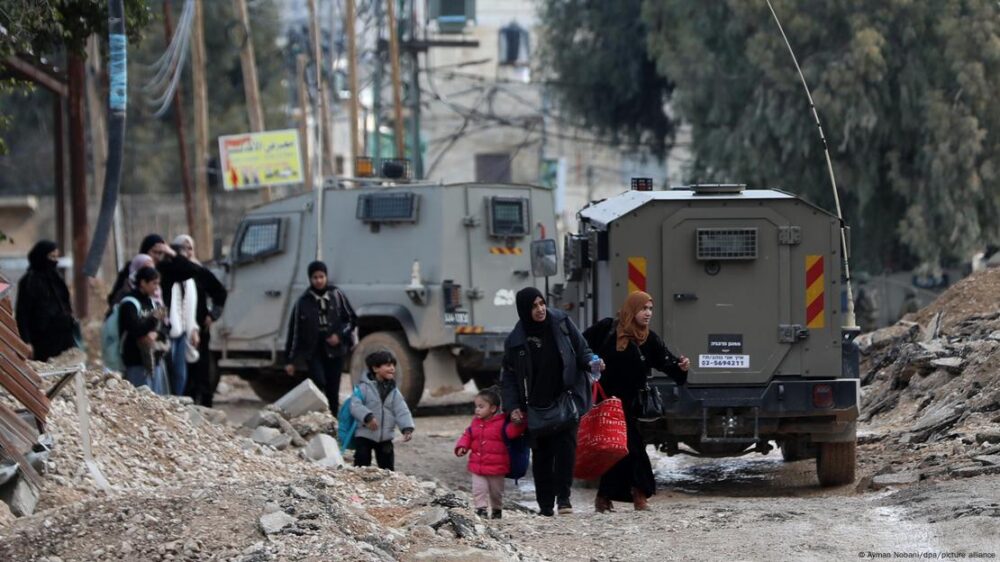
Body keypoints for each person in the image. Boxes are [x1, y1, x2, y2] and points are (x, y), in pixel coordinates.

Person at [583, 291, 689, 512]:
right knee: (626, 448)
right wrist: (591, 361)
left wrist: (682, 368)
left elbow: (668, 364)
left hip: (631, 404)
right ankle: (637, 494)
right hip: (607, 402)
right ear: (632, 309)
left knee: (623, 448)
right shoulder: (607, 329)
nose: (648, 313)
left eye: (650, 309)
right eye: (643, 308)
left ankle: (608, 497)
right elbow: (580, 347)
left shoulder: (649, 339)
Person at [499, 287, 596, 517]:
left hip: (565, 399)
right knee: (542, 457)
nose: (540, 309)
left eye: (542, 303)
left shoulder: (561, 322)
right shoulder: (515, 341)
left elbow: (582, 350)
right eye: (534, 306)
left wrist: (592, 361)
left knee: (566, 451)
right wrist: (512, 407)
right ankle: (545, 506)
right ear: (524, 309)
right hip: (536, 407)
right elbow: (509, 377)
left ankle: (564, 500)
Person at [284, 260, 357, 412]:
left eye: (321, 276)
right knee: (319, 381)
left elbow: (351, 319)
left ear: (326, 277)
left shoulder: (337, 295)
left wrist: (339, 335)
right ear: (310, 279)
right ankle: (320, 414)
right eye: (315, 277)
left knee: (333, 388)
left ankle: (334, 421)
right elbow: (295, 332)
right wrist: (290, 360)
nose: (318, 280)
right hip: (313, 350)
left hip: (335, 350)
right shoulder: (302, 302)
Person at [454, 387, 526, 519]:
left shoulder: (502, 424)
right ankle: (480, 509)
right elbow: (467, 435)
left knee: (496, 492)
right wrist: (462, 446)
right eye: (476, 406)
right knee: (478, 490)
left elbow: (512, 433)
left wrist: (519, 423)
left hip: (497, 468)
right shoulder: (475, 423)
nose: (477, 410)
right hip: (478, 466)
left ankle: (497, 509)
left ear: (493, 409)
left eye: (481, 407)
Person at [174, 235, 228, 407]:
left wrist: (212, 315)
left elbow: (220, 293)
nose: (187, 252)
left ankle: (203, 406)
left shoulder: (198, 271)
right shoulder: (172, 270)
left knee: (201, 369)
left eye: (190, 248)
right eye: (182, 249)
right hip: (177, 329)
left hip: (199, 330)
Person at [348, 350, 414, 470]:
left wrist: (407, 428)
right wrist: (368, 417)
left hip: (385, 438)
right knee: (361, 467)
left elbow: (402, 410)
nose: (392, 368)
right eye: (388, 365)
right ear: (375, 368)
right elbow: (355, 405)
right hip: (364, 435)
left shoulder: (394, 391)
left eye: (393, 365)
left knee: (388, 470)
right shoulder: (363, 388)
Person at [15, 240, 77, 361]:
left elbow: (65, 303)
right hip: (42, 341)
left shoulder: (57, 279)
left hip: (64, 339)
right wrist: (26, 341)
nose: (55, 261)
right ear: (41, 256)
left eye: (56, 257)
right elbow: (22, 314)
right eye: (51, 256)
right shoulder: (29, 281)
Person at [119, 266, 170, 394]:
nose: (156, 287)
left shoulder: (152, 303)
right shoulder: (129, 303)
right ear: (143, 283)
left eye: (158, 283)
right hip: (136, 361)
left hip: (155, 360)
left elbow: (165, 328)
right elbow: (135, 329)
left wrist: (156, 334)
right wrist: (153, 319)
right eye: (154, 283)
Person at [167, 240, 199, 396]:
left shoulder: (188, 281)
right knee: (168, 373)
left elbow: (189, 308)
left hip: (182, 333)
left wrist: (193, 329)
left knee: (180, 374)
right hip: (169, 332)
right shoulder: (166, 277)